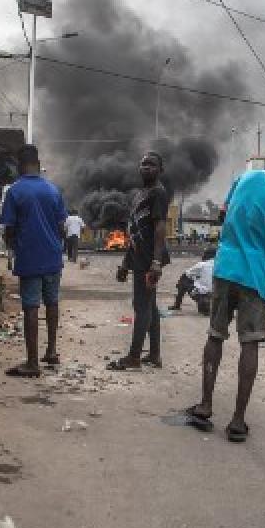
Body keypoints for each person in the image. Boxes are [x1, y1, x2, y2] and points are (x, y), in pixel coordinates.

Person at [185, 137, 265, 443]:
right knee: (249, 343)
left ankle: (205, 405)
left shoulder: (244, 177)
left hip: (225, 267)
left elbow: (223, 216)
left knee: (215, 334)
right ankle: (237, 421)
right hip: (255, 273)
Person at [0, 144, 66, 377]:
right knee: (52, 302)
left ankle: (32, 363)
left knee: (30, 306)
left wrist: (12, 246)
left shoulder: (15, 191)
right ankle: (51, 351)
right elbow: (61, 228)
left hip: (29, 257)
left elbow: (8, 229)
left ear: (20, 165)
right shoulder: (53, 190)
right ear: (38, 164)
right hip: (53, 256)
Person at [111, 152, 171, 370]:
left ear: (160, 169)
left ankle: (134, 357)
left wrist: (156, 262)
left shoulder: (159, 193)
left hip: (148, 258)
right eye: (143, 164)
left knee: (142, 306)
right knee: (150, 306)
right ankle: (154, 355)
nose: (146, 168)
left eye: (152, 164)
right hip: (138, 256)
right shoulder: (139, 195)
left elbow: (160, 227)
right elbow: (134, 230)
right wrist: (126, 262)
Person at [169, 247, 216, 315]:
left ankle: (177, 305)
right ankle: (209, 304)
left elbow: (186, 274)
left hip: (202, 295)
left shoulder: (202, 265)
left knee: (184, 280)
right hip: (217, 295)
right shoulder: (221, 265)